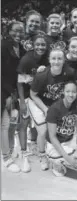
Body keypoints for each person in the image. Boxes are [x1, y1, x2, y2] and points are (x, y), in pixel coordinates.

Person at [28, 48, 75, 171]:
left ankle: (55, 150)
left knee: (57, 128)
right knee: (43, 131)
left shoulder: (69, 73)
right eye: (53, 58)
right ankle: (42, 155)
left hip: (54, 104)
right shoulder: (42, 75)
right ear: (49, 60)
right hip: (37, 102)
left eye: (59, 58)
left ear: (64, 60)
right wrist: (44, 108)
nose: (56, 61)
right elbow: (33, 94)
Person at [17, 33, 50, 172]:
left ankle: (34, 144)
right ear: (33, 45)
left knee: (37, 124)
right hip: (24, 94)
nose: (40, 47)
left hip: (38, 95)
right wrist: (22, 102)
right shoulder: (26, 60)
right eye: (38, 44)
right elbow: (19, 82)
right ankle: (24, 153)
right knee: (24, 123)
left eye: (43, 44)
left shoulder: (47, 57)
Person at [1, 21, 25, 173]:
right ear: (9, 31)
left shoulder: (21, 48)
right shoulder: (3, 46)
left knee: (13, 124)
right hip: (3, 90)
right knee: (4, 124)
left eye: (21, 31)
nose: (18, 34)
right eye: (15, 31)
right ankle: (6, 158)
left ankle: (9, 149)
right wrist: (10, 93)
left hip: (13, 90)